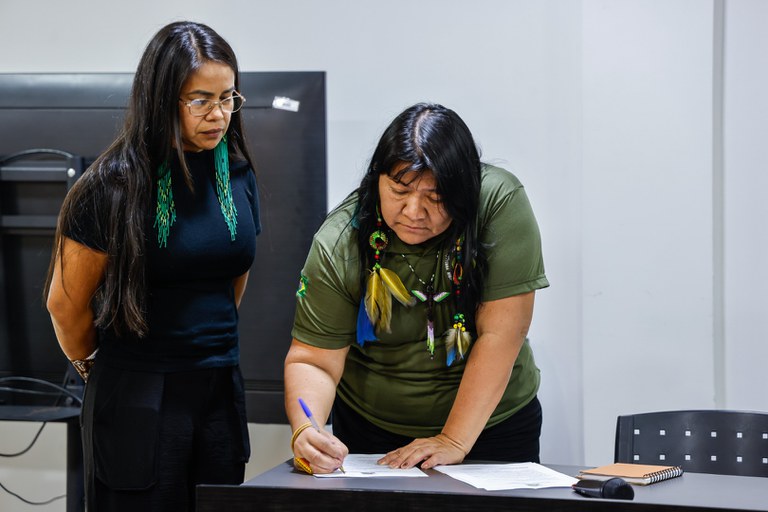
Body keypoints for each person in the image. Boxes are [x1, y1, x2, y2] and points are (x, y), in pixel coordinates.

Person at [44, 21, 260, 511]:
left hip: (219, 387)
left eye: (228, 97)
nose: (219, 114)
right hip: (137, 393)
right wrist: (92, 369)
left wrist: (205, 344)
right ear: (161, 100)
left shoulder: (237, 174)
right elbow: (65, 305)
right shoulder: (111, 186)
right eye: (200, 100)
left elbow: (232, 272)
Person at [284, 102, 548, 474]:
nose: (413, 211)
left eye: (436, 197)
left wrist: (453, 439)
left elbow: (502, 333)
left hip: (491, 425)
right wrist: (307, 428)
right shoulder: (341, 241)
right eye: (399, 190)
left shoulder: (497, 203)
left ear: (465, 189)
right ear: (376, 179)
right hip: (371, 429)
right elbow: (314, 361)